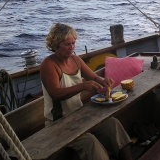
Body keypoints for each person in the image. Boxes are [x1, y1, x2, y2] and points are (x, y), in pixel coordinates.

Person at [40, 23, 132, 160]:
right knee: (90, 142)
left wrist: (103, 80)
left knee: (112, 124)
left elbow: (93, 76)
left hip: (79, 116)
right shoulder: (49, 64)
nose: (72, 47)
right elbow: (55, 93)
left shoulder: (76, 60)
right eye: (67, 44)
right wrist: (82, 86)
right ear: (55, 44)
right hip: (59, 123)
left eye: (73, 43)